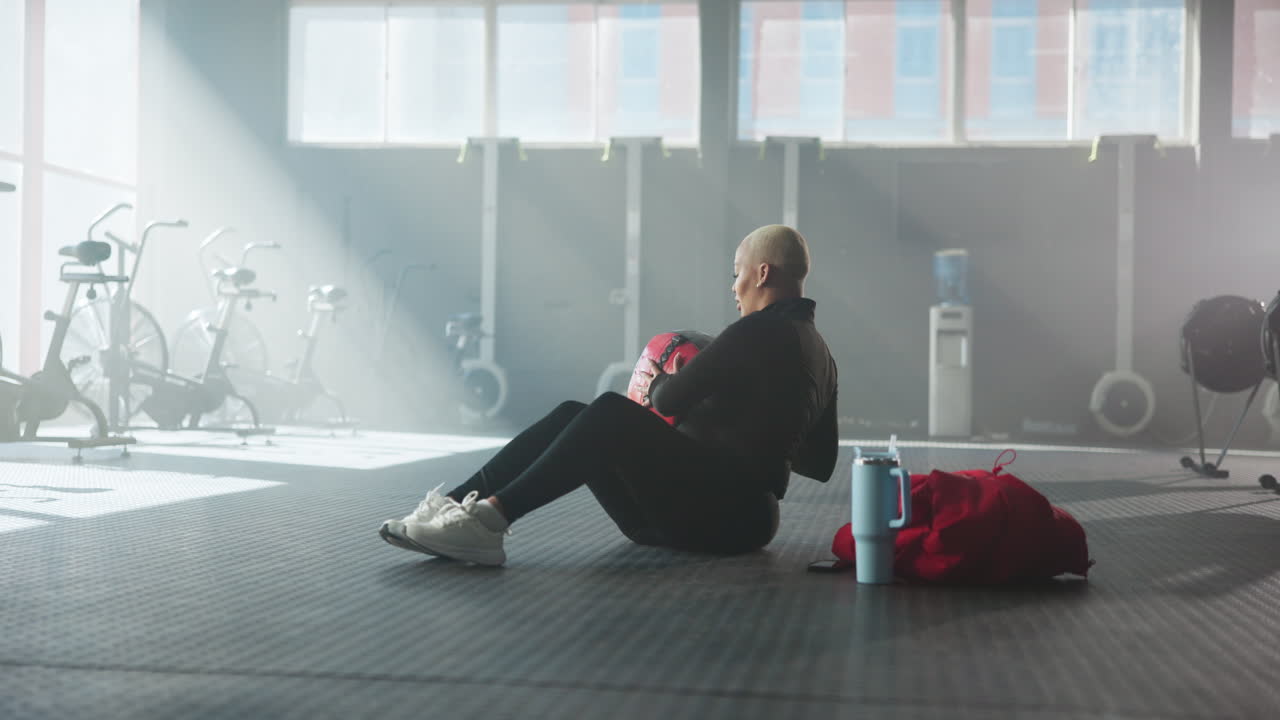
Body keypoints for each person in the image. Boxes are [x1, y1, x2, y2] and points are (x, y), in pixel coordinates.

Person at [379, 224, 839, 566]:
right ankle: (453, 507)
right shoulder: (823, 357)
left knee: (609, 413)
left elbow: (666, 401)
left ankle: (487, 523)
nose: (734, 287)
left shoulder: (756, 330)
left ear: (762, 273)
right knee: (573, 413)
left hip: (719, 517)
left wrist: (660, 379)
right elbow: (820, 462)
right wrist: (750, 417)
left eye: (737, 274)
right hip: (743, 521)